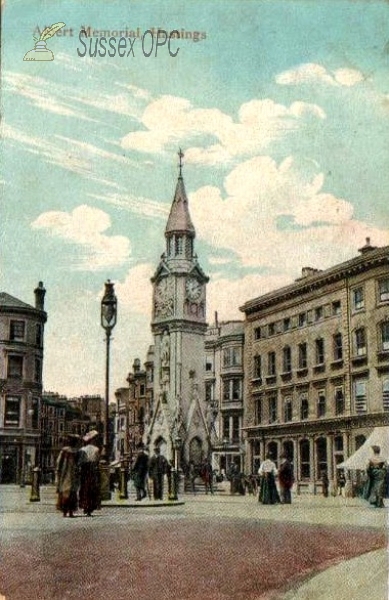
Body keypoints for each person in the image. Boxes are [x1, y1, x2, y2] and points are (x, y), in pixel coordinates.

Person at [55, 434, 80, 518]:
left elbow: (58, 462)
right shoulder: (75, 452)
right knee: (72, 493)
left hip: (65, 474)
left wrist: (58, 471)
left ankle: (65, 511)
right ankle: (70, 512)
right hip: (72, 474)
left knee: (65, 492)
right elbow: (78, 463)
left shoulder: (64, 451)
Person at [78, 430, 101, 516]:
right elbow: (98, 460)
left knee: (84, 489)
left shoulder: (82, 449)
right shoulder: (96, 449)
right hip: (93, 470)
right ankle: (90, 507)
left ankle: (85, 506)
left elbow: (79, 461)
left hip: (84, 470)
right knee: (92, 489)